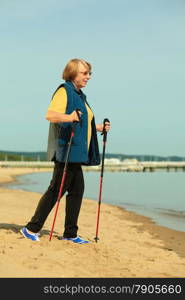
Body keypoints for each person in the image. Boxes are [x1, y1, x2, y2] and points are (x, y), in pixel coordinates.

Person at [20, 58, 110, 244]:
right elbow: (50, 115)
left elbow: (84, 123)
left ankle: (70, 234)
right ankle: (31, 228)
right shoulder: (64, 91)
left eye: (89, 73)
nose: (88, 77)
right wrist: (69, 117)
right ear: (72, 73)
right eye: (84, 73)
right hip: (67, 150)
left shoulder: (80, 95)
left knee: (77, 190)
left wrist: (100, 127)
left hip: (77, 153)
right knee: (56, 190)